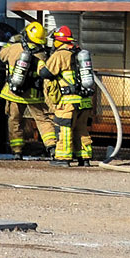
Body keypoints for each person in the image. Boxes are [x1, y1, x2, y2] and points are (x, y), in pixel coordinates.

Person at [0, 20, 56, 159]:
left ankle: (17, 151)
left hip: (14, 92)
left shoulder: (14, 48)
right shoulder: (41, 54)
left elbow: (1, 56)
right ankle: (52, 146)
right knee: (42, 120)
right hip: (34, 94)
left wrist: (11, 42)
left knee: (14, 121)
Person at [42, 25, 94, 166]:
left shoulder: (60, 55)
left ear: (59, 40)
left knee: (63, 129)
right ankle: (84, 158)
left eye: (54, 40)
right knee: (81, 129)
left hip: (68, 102)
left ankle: (63, 158)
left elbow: (46, 73)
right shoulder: (79, 52)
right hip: (84, 101)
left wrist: (41, 63)